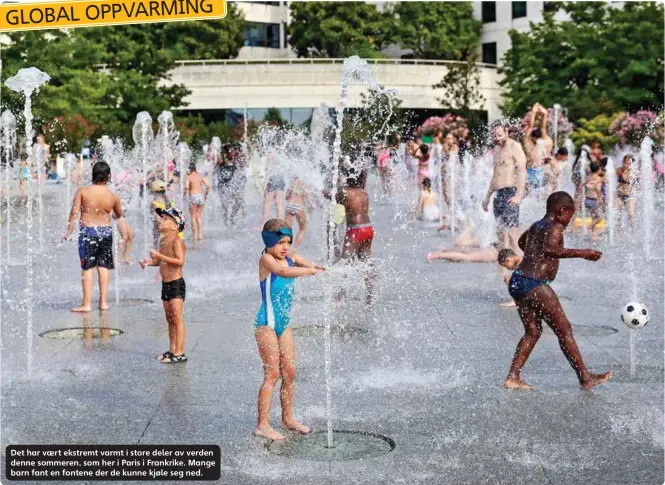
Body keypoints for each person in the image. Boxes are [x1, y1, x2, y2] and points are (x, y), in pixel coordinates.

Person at [505, 191, 611, 391]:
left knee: (533, 331)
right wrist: (583, 253)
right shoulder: (555, 226)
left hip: (518, 280)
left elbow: (522, 242)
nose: (569, 222)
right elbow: (550, 249)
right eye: (570, 216)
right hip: (533, 284)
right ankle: (585, 378)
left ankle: (513, 377)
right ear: (562, 211)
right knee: (565, 330)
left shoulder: (537, 225)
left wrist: (532, 256)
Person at [253, 219, 325, 440]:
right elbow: (282, 272)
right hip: (266, 323)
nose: (285, 247)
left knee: (290, 373)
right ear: (269, 241)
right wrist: (308, 272)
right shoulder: (266, 259)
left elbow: (308, 264)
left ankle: (288, 418)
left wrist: (320, 268)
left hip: (283, 324)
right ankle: (262, 425)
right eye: (280, 242)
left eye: (288, 242)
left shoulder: (290, 257)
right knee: (272, 374)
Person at [64, 161, 123, 313]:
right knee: (104, 266)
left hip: (88, 233)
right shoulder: (112, 195)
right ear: (108, 176)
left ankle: (87, 304)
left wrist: (69, 230)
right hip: (106, 232)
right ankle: (103, 302)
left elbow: (74, 213)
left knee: (88, 267)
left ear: (93, 175)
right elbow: (118, 214)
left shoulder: (83, 191)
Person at [139, 207, 188, 364]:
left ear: (175, 226)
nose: (161, 220)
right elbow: (160, 262)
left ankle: (179, 352)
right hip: (165, 284)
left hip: (176, 284)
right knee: (169, 319)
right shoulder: (162, 240)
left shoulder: (177, 241)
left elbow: (180, 262)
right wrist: (149, 262)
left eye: (166, 219)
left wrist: (160, 255)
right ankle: (172, 349)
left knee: (177, 318)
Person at [482, 125, 527, 254]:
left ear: (506, 133)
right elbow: (495, 176)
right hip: (498, 194)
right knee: (501, 235)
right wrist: (487, 197)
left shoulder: (514, 146)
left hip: (511, 192)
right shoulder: (496, 149)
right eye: (494, 136)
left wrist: (519, 195)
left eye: (499, 135)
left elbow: (522, 171)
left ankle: (523, 266)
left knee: (513, 235)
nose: (497, 139)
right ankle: (503, 270)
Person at [337, 166, 376, 305]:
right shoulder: (364, 193)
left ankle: (340, 297)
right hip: (368, 228)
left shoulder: (345, 193)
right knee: (366, 261)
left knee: (344, 262)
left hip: (355, 229)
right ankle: (370, 296)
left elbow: (333, 199)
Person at [523, 104, 553, 193]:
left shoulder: (537, 144)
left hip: (537, 172)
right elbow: (534, 128)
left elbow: (539, 128)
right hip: (534, 172)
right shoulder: (531, 144)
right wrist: (538, 113)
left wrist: (540, 114)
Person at [284, 177, 310, 251]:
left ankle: (286, 248)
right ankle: (295, 249)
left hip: (290, 205)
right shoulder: (305, 183)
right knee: (303, 228)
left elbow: (286, 196)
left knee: (287, 229)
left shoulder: (292, 182)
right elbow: (307, 197)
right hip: (299, 206)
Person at [616, 154, 638, 237]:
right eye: (625, 163)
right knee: (617, 214)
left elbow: (640, 184)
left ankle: (633, 234)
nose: (627, 165)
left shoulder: (635, 172)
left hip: (630, 196)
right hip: (619, 195)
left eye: (629, 163)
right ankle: (619, 233)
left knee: (631, 214)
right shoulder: (619, 170)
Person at [185, 163, 209, 240]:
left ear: (189, 170)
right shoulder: (200, 176)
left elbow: (186, 186)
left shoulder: (189, 177)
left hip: (193, 196)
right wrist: (205, 195)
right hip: (201, 196)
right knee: (199, 216)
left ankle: (194, 235)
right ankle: (200, 235)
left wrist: (186, 192)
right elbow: (208, 185)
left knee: (193, 216)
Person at [584, 161, 607, 240]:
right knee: (600, 217)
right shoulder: (597, 178)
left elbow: (583, 184)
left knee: (593, 217)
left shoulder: (588, 177)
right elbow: (597, 189)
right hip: (594, 200)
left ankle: (594, 235)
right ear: (598, 169)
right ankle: (588, 227)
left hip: (587, 200)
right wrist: (600, 197)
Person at [262, 152, 286, 224]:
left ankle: (264, 223)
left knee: (267, 202)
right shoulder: (280, 154)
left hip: (272, 179)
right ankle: (280, 223)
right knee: (279, 202)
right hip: (281, 179)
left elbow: (269, 169)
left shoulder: (270, 154)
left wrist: (265, 183)